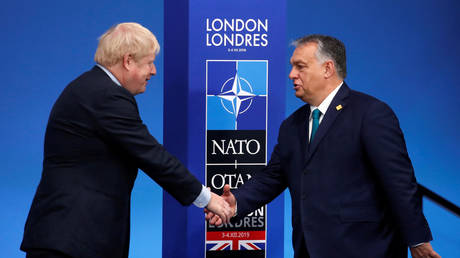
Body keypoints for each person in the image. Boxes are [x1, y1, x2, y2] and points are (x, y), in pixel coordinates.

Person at [206, 35, 440, 258]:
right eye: (292, 67)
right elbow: (273, 177)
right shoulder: (291, 125)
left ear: (327, 69)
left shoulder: (370, 114)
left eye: (300, 66)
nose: (291, 75)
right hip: (309, 249)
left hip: (364, 249)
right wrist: (236, 202)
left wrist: (417, 240)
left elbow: (398, 181)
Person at [21, 22, 232, 258]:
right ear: (128, 60)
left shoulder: (91, 88)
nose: (153, 71)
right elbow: (152, 155)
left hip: (74, 239)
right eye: (149, 62)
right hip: (71, 241)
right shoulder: (105, 95)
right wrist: (205, 198)